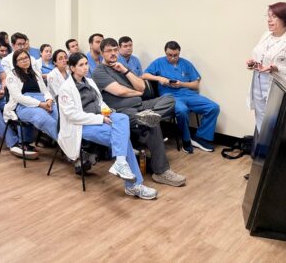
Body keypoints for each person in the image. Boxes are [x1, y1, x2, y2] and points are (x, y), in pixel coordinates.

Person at [58, 53, 158, 199]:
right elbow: (72, 116)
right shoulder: (66, 88)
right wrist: (100, 118)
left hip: (101, 117)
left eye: (86, 63)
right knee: (123, 140)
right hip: (83, 125)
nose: (86, 67)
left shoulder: (89, 82)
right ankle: (133, 185)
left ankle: (121, 163)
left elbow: (100, 102)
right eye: (81, 65)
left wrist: (107, 111)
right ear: (72, 68)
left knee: (122, 117)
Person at [93, 38, 186, 187]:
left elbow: (142, 86)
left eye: (115, 50)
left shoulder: (121, 66)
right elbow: (120, 91)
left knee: (169, 99)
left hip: (140, 105)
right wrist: (137, 93)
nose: (113, 53)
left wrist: (125, 71)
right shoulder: (99, 71)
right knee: (153, 124)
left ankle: (149, 117)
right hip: (123, 111)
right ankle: (161, 172)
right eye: (109, 51)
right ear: (102, 53)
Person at [246, 2, 286, 142]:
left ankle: (271, 153)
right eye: (268, 16)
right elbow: (262, 58)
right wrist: (254, 64)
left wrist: (277, 68)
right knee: (261, 124)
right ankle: (262, 152)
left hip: (279, 89)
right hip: (258, 85)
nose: (269, 20)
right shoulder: (266, 35)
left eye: (274, 17)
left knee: (274, 128)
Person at [143, 41, 220, 153]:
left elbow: (195, 84)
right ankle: (186, 139)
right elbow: (144, 75)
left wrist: (182, 84)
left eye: (176, 55)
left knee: (213, 107)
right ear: (165, 53)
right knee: (182, 110)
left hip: (189, 94)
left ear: (179, 53)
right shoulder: (159, 62)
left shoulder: (186, 64)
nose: (173, 58)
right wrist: (160, 78)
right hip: (170, 96)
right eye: (169, 55)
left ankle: (200, 137)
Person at [4, 50, 59, 153]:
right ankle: (68, 146)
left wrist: (49, 100)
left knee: (60, 116)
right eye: (21, 59)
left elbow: (45, 91)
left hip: (42, 101)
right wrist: (40, 104)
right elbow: (18, 97)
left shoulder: (36, 73)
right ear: (16, 63)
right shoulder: (12, 76)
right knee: (45, 119)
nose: (24, 60)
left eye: (26, 58)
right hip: (23, 105)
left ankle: (73, 144)